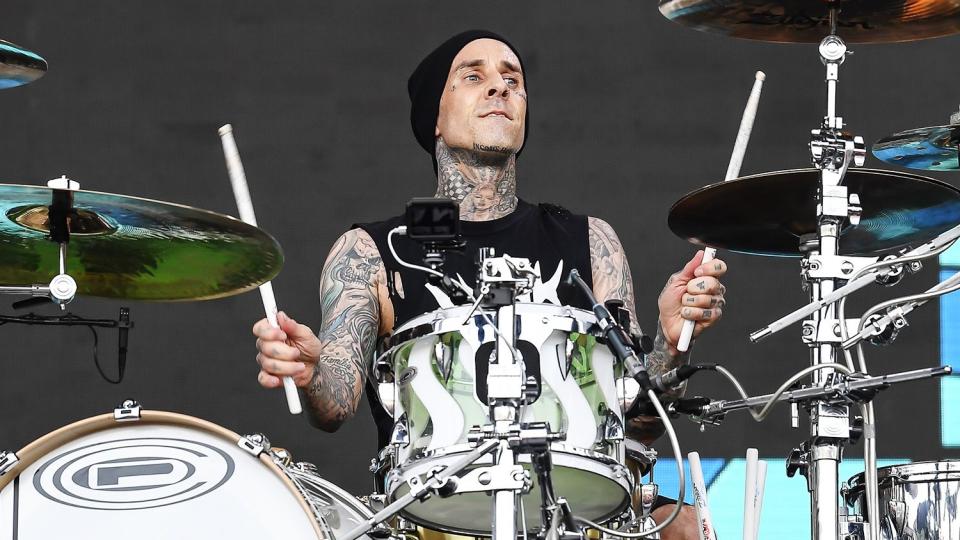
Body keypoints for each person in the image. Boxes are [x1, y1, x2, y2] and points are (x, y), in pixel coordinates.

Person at [252, 30, 727, 540]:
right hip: (432, 514)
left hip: (568, 512)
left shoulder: (589, 241)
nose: (499, 88)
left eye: (512, 79)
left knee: (684, 526)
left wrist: (672, 342)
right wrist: (308, 369)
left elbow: (635, 423)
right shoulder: (373, 249)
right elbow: (334, 405)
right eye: (473, 77)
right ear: (434, 117)